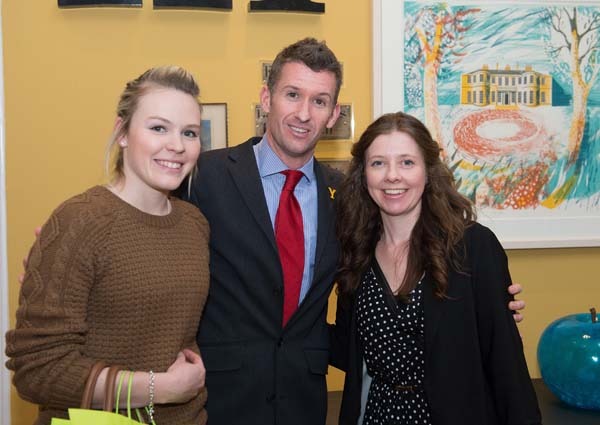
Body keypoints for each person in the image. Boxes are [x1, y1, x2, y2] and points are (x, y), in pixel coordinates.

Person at [182, 38, 525, 425]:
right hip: (222, 400)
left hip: (305, 403)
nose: (303, 113)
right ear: (267, 98)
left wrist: (488, 311)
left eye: (319, 101)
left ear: (333, 115)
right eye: (292, 94)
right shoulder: (203, 176)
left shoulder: (342, 198)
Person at [6, 66, 209, 425]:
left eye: (189, 132)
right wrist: (158, 388)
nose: (177, 145)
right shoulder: (80, 220)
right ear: (123, 133)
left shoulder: (194, 224)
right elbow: (37, 369)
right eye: (158, 127)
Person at [330, 112, 541, 425]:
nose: (392, 176)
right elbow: (348, 350)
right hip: (375, 415)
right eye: (378, 163)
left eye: (406, 162)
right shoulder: (355, 253)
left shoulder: (472, 247)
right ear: (363, 175)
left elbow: (505, 364)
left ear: (428, 172)